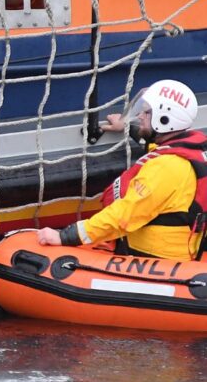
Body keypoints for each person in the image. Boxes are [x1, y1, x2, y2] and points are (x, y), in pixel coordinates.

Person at [37, 80, 207, 261]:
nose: (140, 116)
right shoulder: (190, 149)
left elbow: (125, 215)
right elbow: (155, 147)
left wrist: (66, 236)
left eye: (146, 113)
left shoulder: (166, 167)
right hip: (173, 250)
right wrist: (128, 127)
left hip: (156, 258)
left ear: (164, 120)